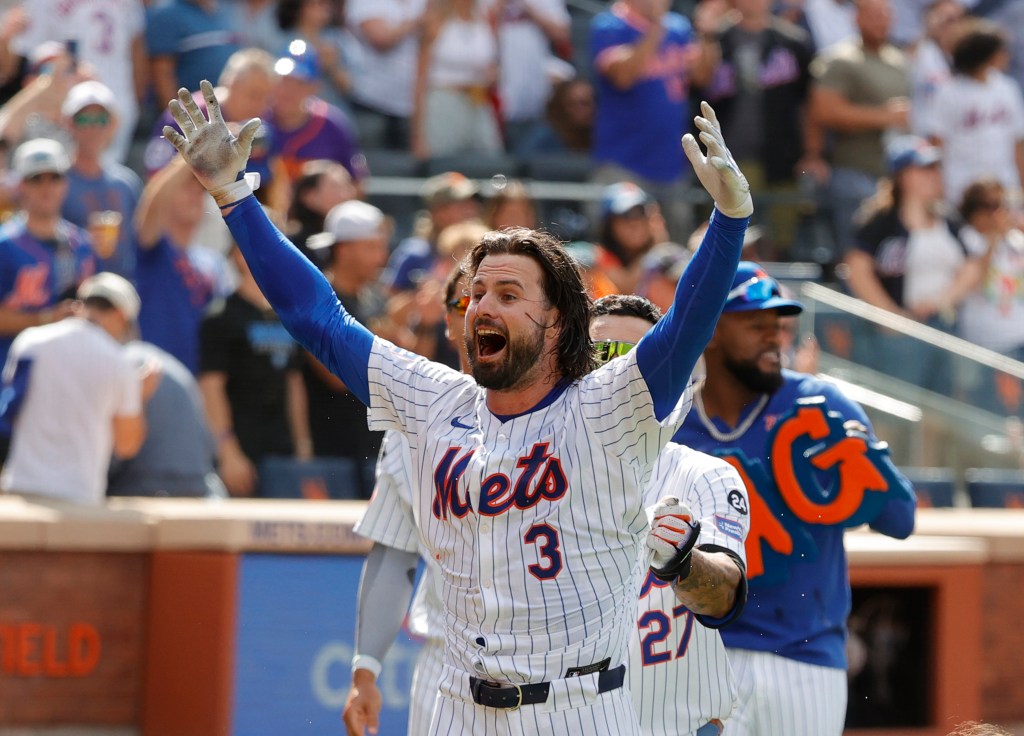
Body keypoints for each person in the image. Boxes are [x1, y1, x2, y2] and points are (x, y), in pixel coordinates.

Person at [164, 83, 751, 732]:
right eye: (476, 294)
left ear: (557, 323)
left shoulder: (610, 406)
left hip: (577, 709)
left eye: (508, 292)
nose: (484, 307)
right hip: (453, 708)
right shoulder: (433, 398)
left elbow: (688, 325)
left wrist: (728, 223)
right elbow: (318, 319)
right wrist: (233, 197)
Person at [672, 261, 917, 735]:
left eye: (779, 325)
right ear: (712, 328)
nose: (775, 337)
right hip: (700, 654)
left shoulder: (820, 406)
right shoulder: (675, 420)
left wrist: (859, 460)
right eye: (755, 323)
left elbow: (900, 517)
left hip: (805, 654)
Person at [590, 294, 749, 736]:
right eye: (599, 355)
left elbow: (723, 600)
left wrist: (682, 563)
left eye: (637, 360)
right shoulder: (535, 478)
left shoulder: (703, 475)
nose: (615, 373)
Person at [343, 265, 471, 736]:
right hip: (448, 665)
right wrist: (366, 669)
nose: (482, 311)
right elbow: (395, 552)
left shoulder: (576, 412)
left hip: (564, 673)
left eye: (506, 296)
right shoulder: (413, 418)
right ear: (447, 319)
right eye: (466, 300)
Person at [0, 272, 153, 504]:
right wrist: (139, 395)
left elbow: (9, 413)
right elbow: (127, 445)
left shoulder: (30, 342)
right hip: (79, 496)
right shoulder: (120, 364)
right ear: (121, 316)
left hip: (21, 487)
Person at [589, 0, 719, 241]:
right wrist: (657, 26)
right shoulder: (609, 25)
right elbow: (623, 76)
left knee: (676, 249)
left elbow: (702, 77)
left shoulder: (678, 28)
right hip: (623, 162)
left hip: (672, 164)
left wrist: (707, 34)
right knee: (617, 244)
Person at [199, 243, 309, 497]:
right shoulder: (220, 316)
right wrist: (227, 452)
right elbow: (210, 388)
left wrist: (303, 446)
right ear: (240, 254)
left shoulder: (287, 314)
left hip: (283, 453)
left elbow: (294, 382)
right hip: (243, 454)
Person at [301, 200, 392, 498]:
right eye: (372, 247)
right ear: (343, 249)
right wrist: (383, 338)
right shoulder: (316, 303)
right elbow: (336, 378)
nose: (382, 256)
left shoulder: (375, 300)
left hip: (376, 451)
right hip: (332, 452)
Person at [809, 0, 911, 259]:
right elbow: (823, 111)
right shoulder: (841, 59)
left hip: (891, 174)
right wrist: (883, 116)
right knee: (856, 252)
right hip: (852, 170)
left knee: (888, 255)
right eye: (872, 15)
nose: (880, 21)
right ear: (856, 18)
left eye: (885, 15)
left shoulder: (898, 59)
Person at [0, 138, 94, 372]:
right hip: (13, 378)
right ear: (21, 185)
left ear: (66, 183)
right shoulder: (5, 244)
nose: (47, 186)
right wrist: (46, 319)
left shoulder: (82, 243)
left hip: (71, 371)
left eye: (54, 177)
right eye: (36, 179)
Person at [11, 0, 146, 162]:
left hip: (117, 99)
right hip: (62, 103)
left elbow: (137, 49)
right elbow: (29, 58)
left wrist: (134, 100)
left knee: (103, 170)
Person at [921, 19, 1024, 210]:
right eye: (1000, 51)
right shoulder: (949, 92)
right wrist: (938, 189)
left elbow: (1017, 142)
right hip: (961, 186)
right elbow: (936, 143)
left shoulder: (1007, 88)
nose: (1006, 55)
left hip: (1004, 183)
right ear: (984, 53)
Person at [107, 338, 222, 498]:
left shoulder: (127, 363)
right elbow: (208, 443)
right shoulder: (175, 367)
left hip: (145, 491)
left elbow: (114, 458)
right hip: (199, 489)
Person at [60, 80, 142, 279]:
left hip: (124, 291)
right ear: (69, 124)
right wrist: (83, 242)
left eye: (101, 120)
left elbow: (140, 240)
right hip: (75, 291)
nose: (93, 128)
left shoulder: (126, 182)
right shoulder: (55, 181)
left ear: (112, 125)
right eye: (84, 120)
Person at [411, 0, 502, 160]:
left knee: (491, 160)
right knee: (441, 163)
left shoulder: (486, 17)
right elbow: (420, 80)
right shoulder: (437, 18)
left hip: (478, 102)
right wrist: (418, 135)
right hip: (444, 100)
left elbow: (494, 64)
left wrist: (493, 75)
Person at [343, 0, 428, 150]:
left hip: (411, 107)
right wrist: (418, 22)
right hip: (371, 103)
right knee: (370, 166)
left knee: (409, 168)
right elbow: (380, 39)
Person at [145, 0, 240, 109]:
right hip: (193, 116)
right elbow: (162, 74)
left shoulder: (224, 10)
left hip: (224, 113)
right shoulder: (165, 13)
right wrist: (179, 118)